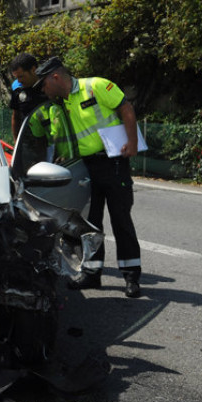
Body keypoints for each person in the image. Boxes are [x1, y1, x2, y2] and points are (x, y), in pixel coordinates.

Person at [34, 56, 142, 298]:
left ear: (55, 77)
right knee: (89, 224)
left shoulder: (96, 86)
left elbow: (126, 108)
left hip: (113, 162)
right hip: (85, 167)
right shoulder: (61, 103)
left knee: (121, 219)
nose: (43, 90)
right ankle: (92, 274)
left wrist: (132, 142)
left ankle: (132, 277)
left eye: (44, 84)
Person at [9, 53, 48, 137]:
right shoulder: (17, 91)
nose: (19, 81)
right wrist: (16, 142)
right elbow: (16, 117)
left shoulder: (48, 86)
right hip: (28, 145)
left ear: (33, 69)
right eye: (16, 77)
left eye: (21, 76)